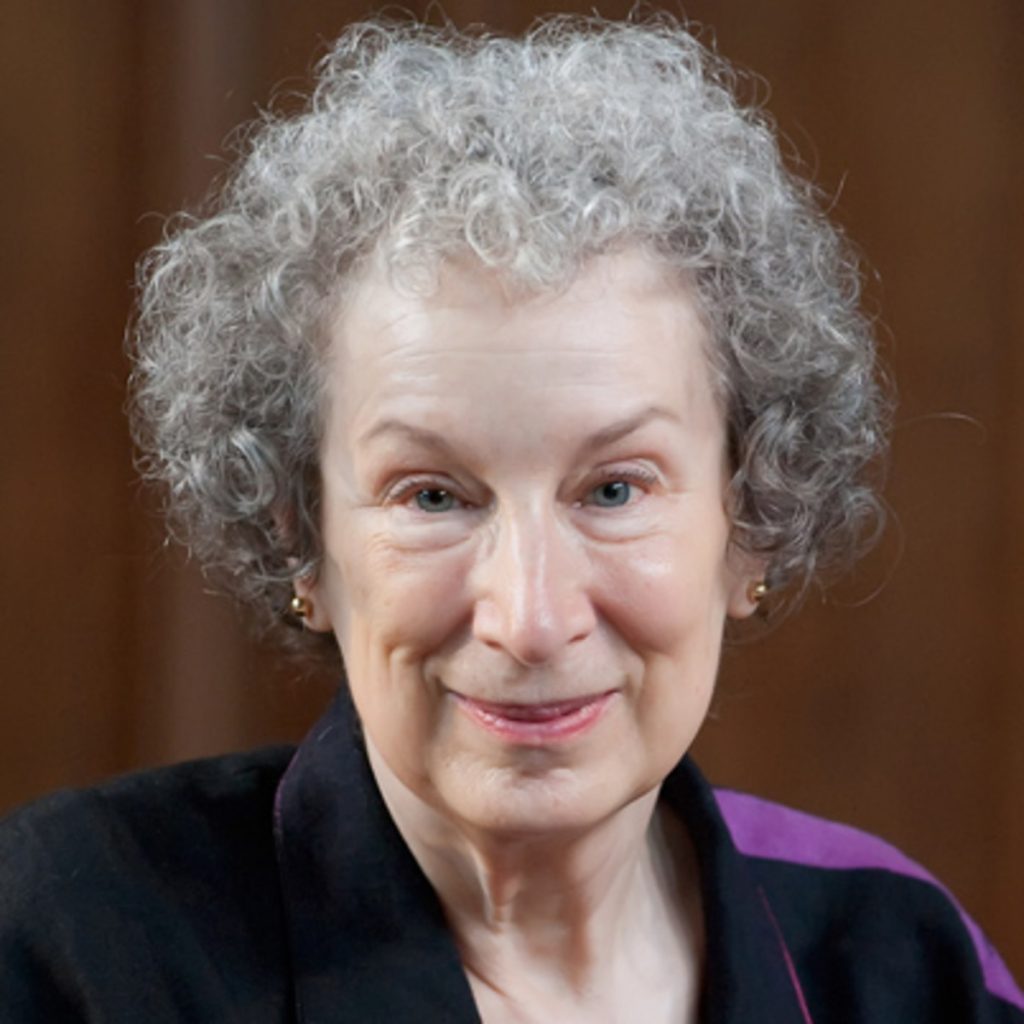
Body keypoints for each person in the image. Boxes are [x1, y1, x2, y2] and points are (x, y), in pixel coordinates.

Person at [1, 15, 1021, 1023]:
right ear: (299, 540)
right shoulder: (70, 944)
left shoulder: (903, 966)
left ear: (749, 516)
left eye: (614, 490)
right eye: (432, 495)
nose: (530, 620)